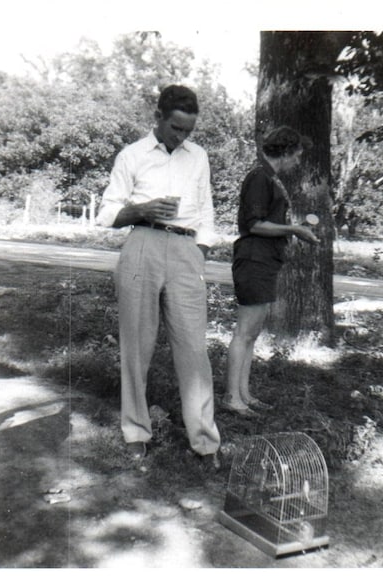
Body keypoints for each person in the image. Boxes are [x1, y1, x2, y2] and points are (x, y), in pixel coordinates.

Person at [96, 85, 221, 469]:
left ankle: (204, 440)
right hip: (143, 245)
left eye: (188, 130)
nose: (181, 137)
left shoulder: (198, 156)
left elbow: (205, 210)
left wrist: (198, 252)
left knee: (194, 349)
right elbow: (106, 215)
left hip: (186, 252)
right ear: (159, 117)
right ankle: (136, 431)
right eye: (175, 128)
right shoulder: (132, 155)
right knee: (137, 345)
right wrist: (143, 210)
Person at [225, 126, 319, 416]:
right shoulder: (259, 176)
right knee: (244, 332)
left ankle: (244, 394)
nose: (298, 161)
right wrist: (293, 229)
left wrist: (292, 230)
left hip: (264, 261)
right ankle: (231, 398)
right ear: (287, 150)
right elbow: (253, 224)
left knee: (252, 333)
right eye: (298, 155)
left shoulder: (270, 178)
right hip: (253, 260)